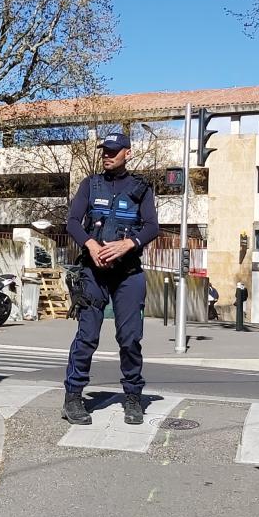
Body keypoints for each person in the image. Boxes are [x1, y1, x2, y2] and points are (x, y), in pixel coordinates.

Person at [60, 132, 160, 426]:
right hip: (93, 272)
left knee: (130, 339)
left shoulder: (141, 188)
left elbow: (153, 227)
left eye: (114, 151)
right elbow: (73, 222)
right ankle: (73, 397)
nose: (107, 155)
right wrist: (91, 245)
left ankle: (132, 397)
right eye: (105, 150)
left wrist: (130, 244)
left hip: (128, 273)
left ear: (127, 153)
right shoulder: (89, 185)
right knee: (87, 336)